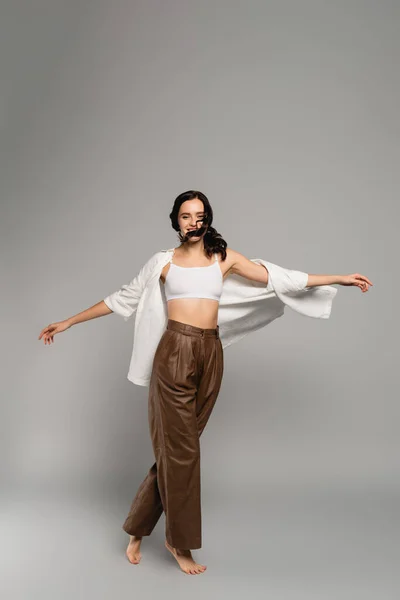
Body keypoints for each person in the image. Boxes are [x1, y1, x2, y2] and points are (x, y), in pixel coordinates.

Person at [38, 190, 373, 575]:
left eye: (199, 214)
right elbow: (122, 298)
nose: (193, 221)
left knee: (180, 448)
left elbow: (280, 278)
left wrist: (339, 278)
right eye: (185, 215)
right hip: (175, 352)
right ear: (176, 221)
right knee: (184, 453)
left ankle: (136, 528)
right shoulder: (162, 263)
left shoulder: (223, 258)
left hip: (211, 353)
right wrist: (67, 321)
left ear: (208, 219)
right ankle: (179, 543)